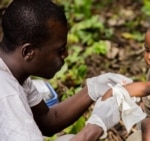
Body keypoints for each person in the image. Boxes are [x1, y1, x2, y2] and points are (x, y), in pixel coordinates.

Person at [0, 0, 133, 140]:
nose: (66, 55)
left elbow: (46, 120)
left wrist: (91, 90)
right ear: (28, 52)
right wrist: (96, 127)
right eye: (60, 50)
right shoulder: (7, 95)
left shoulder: (15, 73)